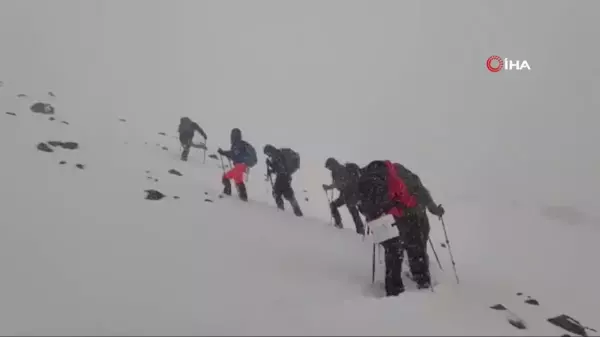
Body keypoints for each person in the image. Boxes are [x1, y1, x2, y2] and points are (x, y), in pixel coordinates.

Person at [356, 160, 444, 297]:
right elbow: (421, 193)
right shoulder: (402, 174)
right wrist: (434, 209)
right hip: (411, 214)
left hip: (382, 217)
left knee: (393, 252)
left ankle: (393, 290)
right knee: (416, 248)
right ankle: (423, 283)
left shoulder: (367, 177)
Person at [322, 157, 365, 235]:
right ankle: (340, 224)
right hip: (345, 194)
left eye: (329, 167)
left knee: (353, 210)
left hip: (352, 193)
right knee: (334, 205)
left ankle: (360, 231)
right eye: (328, 168)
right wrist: (329, 187)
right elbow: (339, 184)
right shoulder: (334, 172)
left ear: (333, 164)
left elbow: (343, 183)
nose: (329, 169)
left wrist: (330, 187)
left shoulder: (341, 169)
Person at [264, 144, 303, 217]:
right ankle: (298, 213)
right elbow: (279, 169)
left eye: (267, 153)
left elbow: (280, 168)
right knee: (288, 194)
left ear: (270, 151)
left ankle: (281, 211)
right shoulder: (279, 154)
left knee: (276, 193)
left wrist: (270, 165)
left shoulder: (277, 155)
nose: (268, 155)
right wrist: (271, 168)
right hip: (287, 177)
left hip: (282, 177)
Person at [217, 128, 255, 201]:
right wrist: (225, 153)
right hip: (242, 166)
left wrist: (223, 152)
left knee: (226, 177)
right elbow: (234, 154)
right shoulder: (241, 144)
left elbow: (233, 154)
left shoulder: (238, 144)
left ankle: (228, 194)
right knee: (238, 181)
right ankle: (243, 198)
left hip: (240, 166)